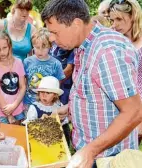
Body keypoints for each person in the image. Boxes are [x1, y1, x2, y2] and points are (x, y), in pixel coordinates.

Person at [41, 0, 142, 168]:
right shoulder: (83, 45)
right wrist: (69, 109)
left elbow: (134, 111)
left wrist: (91, 151)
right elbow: (94, 92)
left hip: (108, 157)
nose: (51, 38)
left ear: (76, 24)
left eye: (55, 32)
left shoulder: (107, 52)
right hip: (94, 152)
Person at [109, 0, 142, 142]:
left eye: (119, 19)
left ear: (133, 16)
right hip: (117, 104)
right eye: (112, 20)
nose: (114, 25)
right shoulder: (113, 41)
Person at [0, 30, 26, 124]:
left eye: (4, 48)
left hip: (17, 109)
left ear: (10, 46)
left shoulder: (18, 62)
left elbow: (23, 86)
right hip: (0, 113)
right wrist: (9, 115)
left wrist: (14, 105)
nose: (2, 52)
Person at [23, 28, 65, 111]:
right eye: (37, 47)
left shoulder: (56, 64)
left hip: (48, 105)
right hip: (29, 103)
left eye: (44, 47)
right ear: (33, 46)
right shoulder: (27, 62)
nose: (40, 51)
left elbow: (57, 86)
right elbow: (24, 83)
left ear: (50, 46)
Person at [22, 76, 71, 146]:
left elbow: (65, 122)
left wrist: (64, 119)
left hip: (56, 139)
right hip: (40, 140)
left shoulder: (59, 106)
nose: (44, 95)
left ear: (55, 95)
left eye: (48, 93)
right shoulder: (34, 107)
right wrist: (40, 121)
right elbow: (30, 125)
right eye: (42, 92)